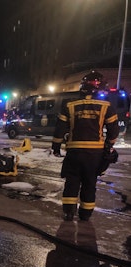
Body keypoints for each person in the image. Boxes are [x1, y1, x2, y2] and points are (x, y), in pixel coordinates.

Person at [51, 71, 119, 221]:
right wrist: (109, 145)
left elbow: (59, 130)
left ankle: (69, 212)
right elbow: (114, 132)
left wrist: (56, 146)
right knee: (90, 182)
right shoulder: (107, 107)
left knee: (72, 181)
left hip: (74, 151)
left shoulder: (69, 105)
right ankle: (85, 214)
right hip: (95, 154)